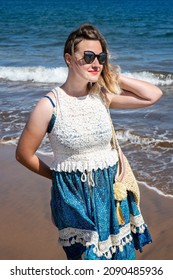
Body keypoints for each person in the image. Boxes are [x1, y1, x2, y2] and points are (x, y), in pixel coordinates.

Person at [16, 23, 163, 260]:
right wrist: (58, 178)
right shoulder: (49, 105)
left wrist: (110, 74)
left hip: (113, 197)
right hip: (75, 202)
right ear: (68, 59)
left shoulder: (102, 96)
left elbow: (153, 95)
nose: (96, 62)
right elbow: (24, 154)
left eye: (101, 57)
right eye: (88, 56)